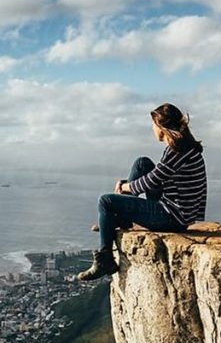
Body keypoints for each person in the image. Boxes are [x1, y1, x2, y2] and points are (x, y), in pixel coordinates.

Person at [77, 103, 207, 281]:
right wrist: (130, 185)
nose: (152, 129)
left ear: (161, 127)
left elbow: (154, 179)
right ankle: (121, 218)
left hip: (172, 217)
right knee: (142, 163)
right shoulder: (184, 147)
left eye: (153, 125)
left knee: (105, 201)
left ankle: (105, 259)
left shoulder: (178, 151)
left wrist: (124, 187)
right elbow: (156, 175)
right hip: (177, 210)